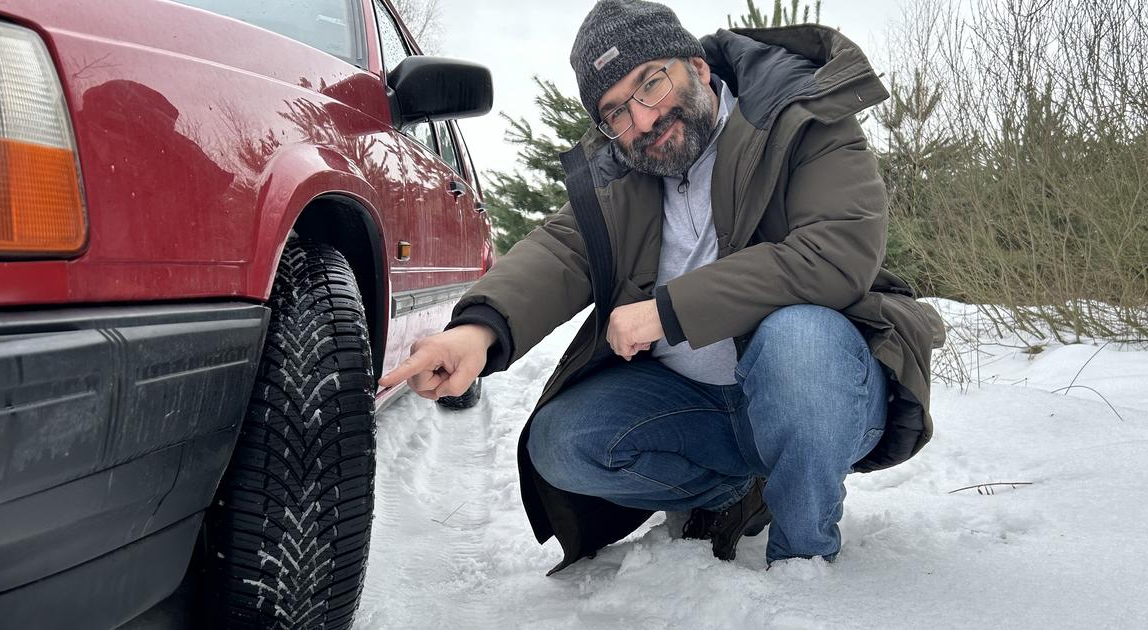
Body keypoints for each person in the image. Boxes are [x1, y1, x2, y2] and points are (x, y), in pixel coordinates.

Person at [379, 0, 944, 574]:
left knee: (798, 338)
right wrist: (477, 332)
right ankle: (727, 495)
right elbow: (560, 251)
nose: (643, 121)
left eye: (651, 83)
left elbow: (835, 252)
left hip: (822, 392)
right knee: (563, 442)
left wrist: (667, 312)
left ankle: (803, 558)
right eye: (616, 112)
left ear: (696, 68)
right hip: (699, 410)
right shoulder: (626, 172)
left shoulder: (796, 114)